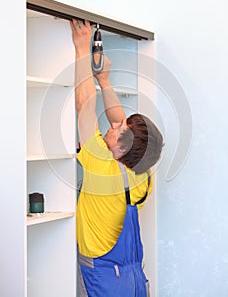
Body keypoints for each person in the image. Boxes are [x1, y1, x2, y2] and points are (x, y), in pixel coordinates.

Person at [70, 19, 164, 297]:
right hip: (133, 280)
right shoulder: (142, 175)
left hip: (103, 278)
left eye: (117, 129)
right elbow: (120, 120)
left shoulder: (102, 167)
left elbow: (84, 105)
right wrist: (104, 79)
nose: (114, 123)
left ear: (122, 149)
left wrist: (81, 48)